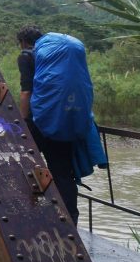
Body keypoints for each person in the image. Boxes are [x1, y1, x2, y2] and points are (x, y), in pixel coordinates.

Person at [16, 25, 106, 225]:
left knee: (24, 164)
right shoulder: (59, 53)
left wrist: (23, 120)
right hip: (66, 119)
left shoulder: (26, 56)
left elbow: (26, 92)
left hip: (39, 120)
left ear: (22, 42)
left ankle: (29, 213)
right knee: (62, 172)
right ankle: (69, 219)